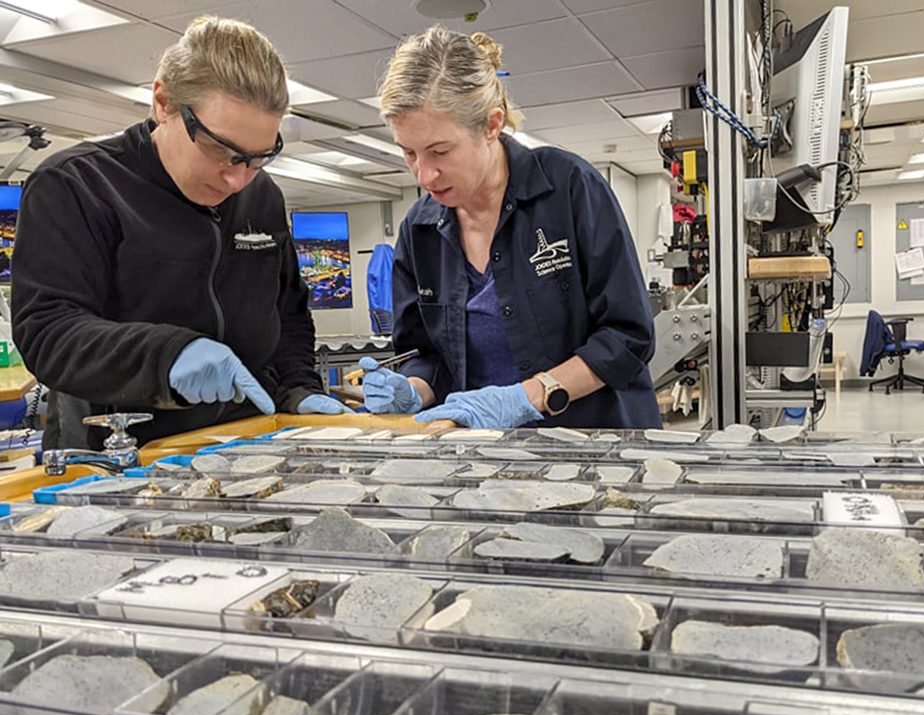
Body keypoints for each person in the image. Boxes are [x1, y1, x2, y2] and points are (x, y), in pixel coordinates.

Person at [12, 17, 347, 450]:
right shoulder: (77, 184)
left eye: (258, 157)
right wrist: (166, 356)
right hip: (118, 454)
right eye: (219, 150)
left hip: (244, 442)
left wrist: (300, 390)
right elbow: (48, 332)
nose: (237, 179)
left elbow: (287, 317)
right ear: (164, 103)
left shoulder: (262, 197)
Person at [360, 25, 660, 430]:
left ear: (491, 125)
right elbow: (428, 354)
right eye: (408, 153)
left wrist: (528, 395)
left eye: (439, 151)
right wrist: (414, 387)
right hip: (483, 457)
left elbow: (629, 337)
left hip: (595, 443)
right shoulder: (420, 230)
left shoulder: (569, 188)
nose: (424, 174)